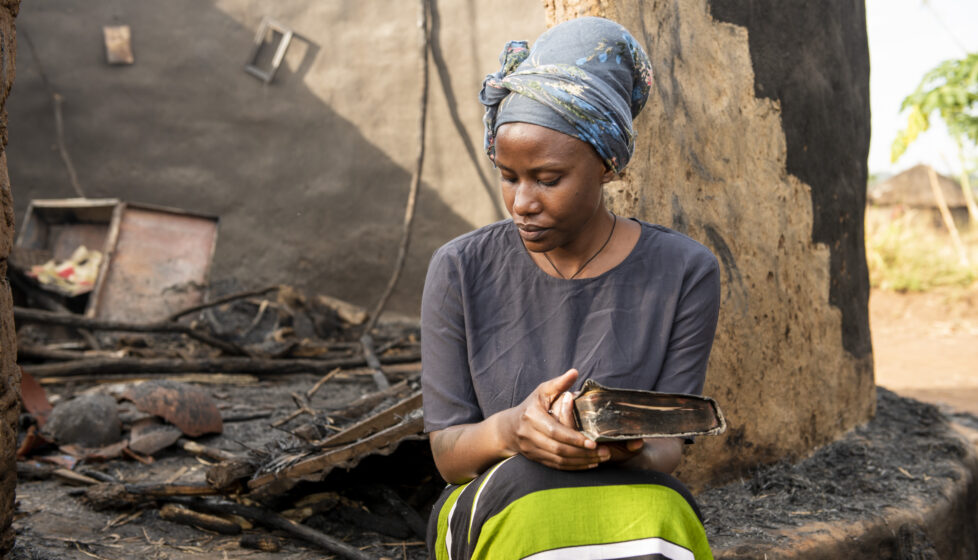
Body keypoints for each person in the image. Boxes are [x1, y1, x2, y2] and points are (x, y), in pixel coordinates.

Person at [421, 16, 720, 560]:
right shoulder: (460, 268)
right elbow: (448, 455)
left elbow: (665, 447)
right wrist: (515, 431)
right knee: (532, 512)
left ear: (607, 165)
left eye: (548, 179)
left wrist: (617, 447)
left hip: (629, 494)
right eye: (508, 176)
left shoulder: (685, 272)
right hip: (500, 500)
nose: (522, 203)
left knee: (663, 516)